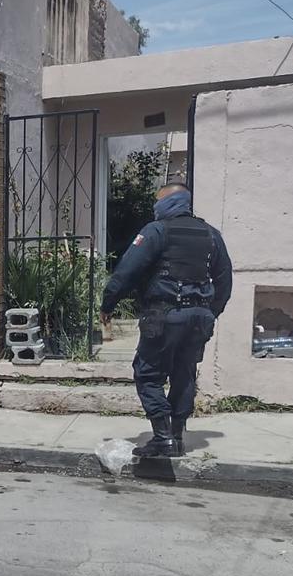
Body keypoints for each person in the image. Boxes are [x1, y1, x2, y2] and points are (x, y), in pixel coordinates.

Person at [100, 183, 233, 458]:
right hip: (199, 318)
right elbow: (224, 279)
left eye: (158, 201)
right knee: (184, 373)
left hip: (165, 315)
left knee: (147, 374)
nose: (155, 206)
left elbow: (127, 270)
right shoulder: (211, 235)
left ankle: (162, 437)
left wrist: (108, 303)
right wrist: (210, 311)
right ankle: (177, 436)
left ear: (171, 202)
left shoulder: (156, 231)